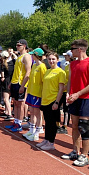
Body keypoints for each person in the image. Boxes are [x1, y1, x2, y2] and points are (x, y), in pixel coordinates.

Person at [61, 39, 89, 167]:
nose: (71, 51)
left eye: (72, 49)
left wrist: (78, 93)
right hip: (74, 99)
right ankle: (75, 151)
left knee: (84, 127)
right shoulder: (72, 64)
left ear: (80, 49)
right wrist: (68, 93)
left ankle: (84, 155)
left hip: (86, 99)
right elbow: (70, 81)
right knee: (75, 126)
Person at [36, 52, 65, 151]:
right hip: (45, 99)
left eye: (53, 59)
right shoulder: (48, 71)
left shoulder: (60, 72)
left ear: (57, 60)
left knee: (52, 123)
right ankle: (46, 139)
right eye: (49, 59)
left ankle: (51, 143)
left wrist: (57, 102)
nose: (51, 61)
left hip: (53, 100)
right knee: (47, 122)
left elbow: (61, 89)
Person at [5, 39, 32, 132]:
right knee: (15, 103)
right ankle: (16, 122)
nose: (17, 47)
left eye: (19, 45)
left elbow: (28, 71)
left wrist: (23, 85)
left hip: (20, 83)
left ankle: (19, 123)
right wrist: (11, 82)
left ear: (24, 46)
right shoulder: (19, 57)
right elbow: (16, 71)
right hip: (14, 82)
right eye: (17, 45)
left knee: (20, 104)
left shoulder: (27, 56)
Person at [22, 48, 47, 141]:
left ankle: (37, 131)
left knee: (37, 113)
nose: (31, 56)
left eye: (33, 55)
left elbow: (44, 81)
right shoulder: (34, 65)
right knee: (31, 112)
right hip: (31, 91)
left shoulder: (42, 66)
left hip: (38, 93)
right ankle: (31, 130)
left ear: (36, 55)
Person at [0, 51, 14, 120]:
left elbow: (2, 76)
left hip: (6, 82)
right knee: (9, 98)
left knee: (6, 99)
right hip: (11, 81)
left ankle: (9, 113)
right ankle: (6, 111)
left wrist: (2, 77)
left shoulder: (3, 65)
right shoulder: (12, 63)